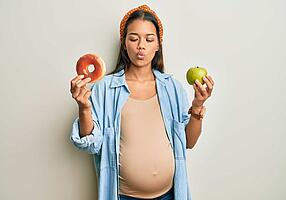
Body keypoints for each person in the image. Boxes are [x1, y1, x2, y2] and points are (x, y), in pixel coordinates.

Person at [69, 4, 214, 200]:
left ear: (158, 45)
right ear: (124, 43)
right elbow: (91, 144)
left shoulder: (172, 87)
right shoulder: (105, 88)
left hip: (169, 195)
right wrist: (84, 108)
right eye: (134, 38)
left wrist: (197, 106)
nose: (141, 46)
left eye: (149, 39)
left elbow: (188, 142)